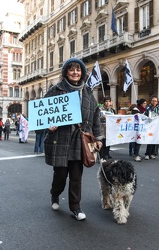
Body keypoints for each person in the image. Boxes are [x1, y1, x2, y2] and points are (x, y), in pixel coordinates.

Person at [44, 57, 103, 221]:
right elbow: (42, 113)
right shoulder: (55, 90)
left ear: (82, 73)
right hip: (60, 140)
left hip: (80, 141)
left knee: (76, 177)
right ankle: (55, 194)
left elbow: (96, 117)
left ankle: (75, 207)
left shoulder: (88, 92)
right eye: (72, 69)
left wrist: (98, 138)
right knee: (60, 175)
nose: (75, 72)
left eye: (78, 69)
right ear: (66, 72)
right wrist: (49, 125)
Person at [144, 95, 159, 160]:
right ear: (151, 101)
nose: (154, 102)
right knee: (150, 139)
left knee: (155, 140)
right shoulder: (148, 108)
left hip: (157, 126)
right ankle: (147, 153)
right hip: (150, 126)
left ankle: (152, 153)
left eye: (155, 101)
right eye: (153, 101)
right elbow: (145, 115)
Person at [99, 96, 116, 161]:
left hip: (109, 129)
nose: (107, 103)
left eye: (109, 101)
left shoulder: (111, 110)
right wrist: (102, 117)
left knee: (107, 143)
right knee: (102, 143)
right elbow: (97, 118)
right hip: (102, 128)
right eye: (106, 101)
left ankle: (106, 154)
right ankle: (101, 157)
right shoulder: (100, 109)